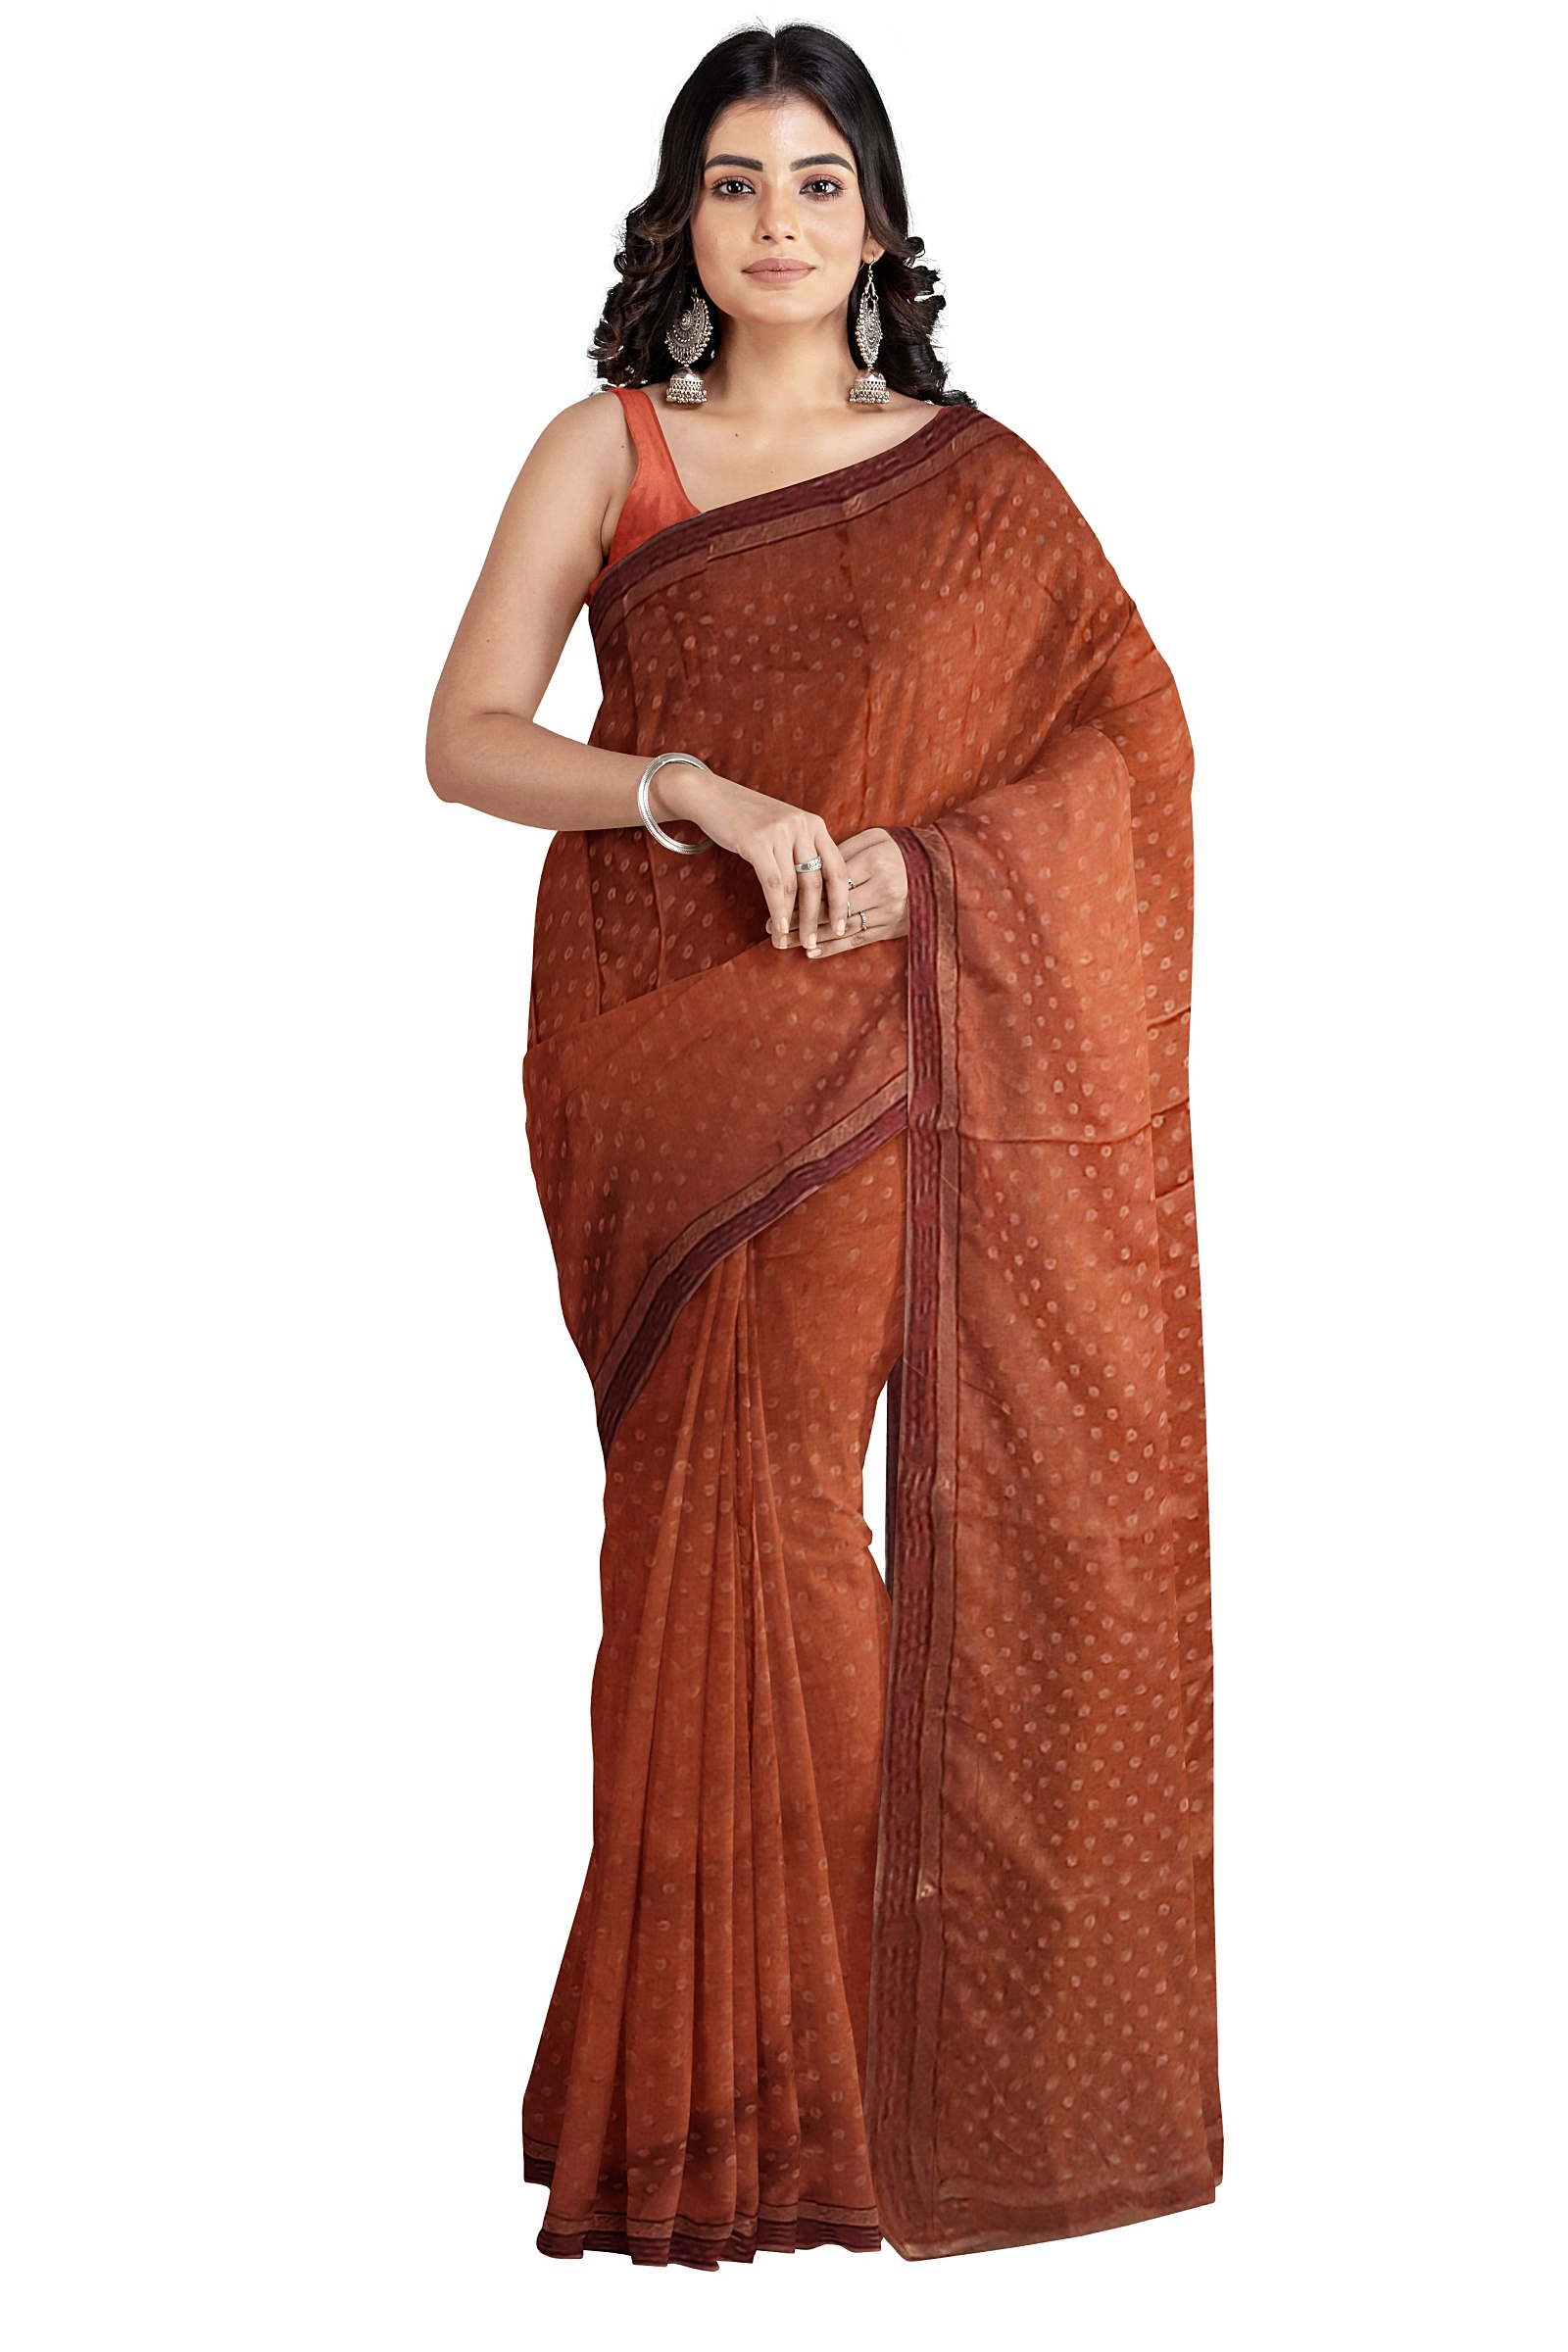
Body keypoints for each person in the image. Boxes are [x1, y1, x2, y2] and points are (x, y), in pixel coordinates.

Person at [426, 21, 1220, 2271]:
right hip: (653, 1057)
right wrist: (678, 787)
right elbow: (465, 739)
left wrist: (927, 869)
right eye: (731, 182)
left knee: (775, 1530)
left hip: (873, 1062)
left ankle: (815, 2101)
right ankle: (703, 2093)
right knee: (681, 1538)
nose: (773, 222)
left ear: (876, 222)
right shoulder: (608, 449)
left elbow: (1126, 751)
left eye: (813, 182)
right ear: (678, 219)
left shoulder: (973, 483)